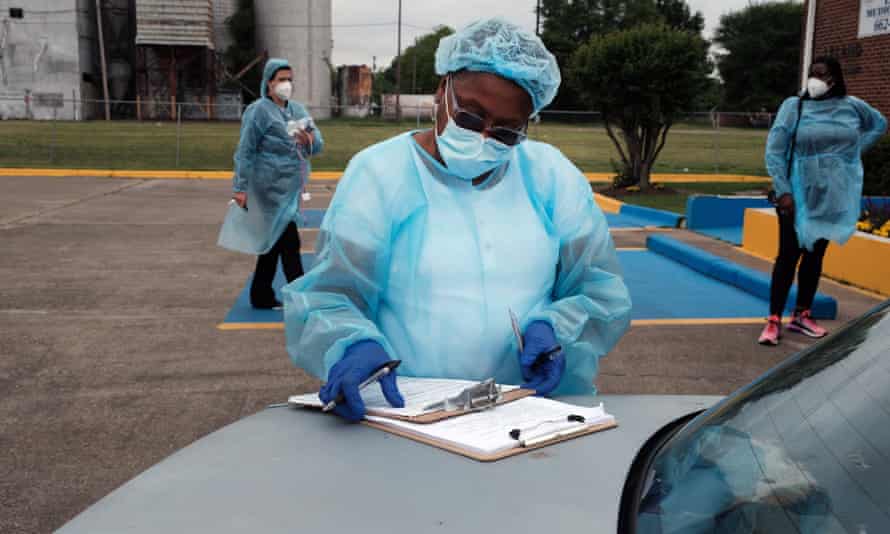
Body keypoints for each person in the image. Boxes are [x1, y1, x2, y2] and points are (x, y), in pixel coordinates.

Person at [282, 18, 632, 421]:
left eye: (506, 132)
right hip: (410, 415)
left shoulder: (551, 178)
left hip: (530, 414)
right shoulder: (379, 175)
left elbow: (600, 290)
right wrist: (351, 343)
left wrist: (558, 330)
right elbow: (332, 294)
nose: (483, 137)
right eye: (469, 117)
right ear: (441, 93)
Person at [759, 56, 886, 346]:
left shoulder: (852, 106)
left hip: (833, 194)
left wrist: (851, 154)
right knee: (788, 255)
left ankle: (802, 314)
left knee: (815, 255)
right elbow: (774, 151)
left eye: (823, 74)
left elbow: (878, 124)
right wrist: (784, 191)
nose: (816, 78)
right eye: (813, 73)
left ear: (835, 78)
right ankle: (774, 319)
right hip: (798, 193)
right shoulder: (795, 107)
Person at [218, 58, 324, 309]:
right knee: (289, 243)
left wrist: (308, 139)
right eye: (281, 80)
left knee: (273, 243)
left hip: (290, 189)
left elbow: (318, 144)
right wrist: (240, 187)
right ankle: (300, 297)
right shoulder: (258, 111)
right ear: (269, 83)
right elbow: (245, 151)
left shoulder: (297, 111)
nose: (287, 84)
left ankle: (261, 294)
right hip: (267, 189)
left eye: (289, 79)